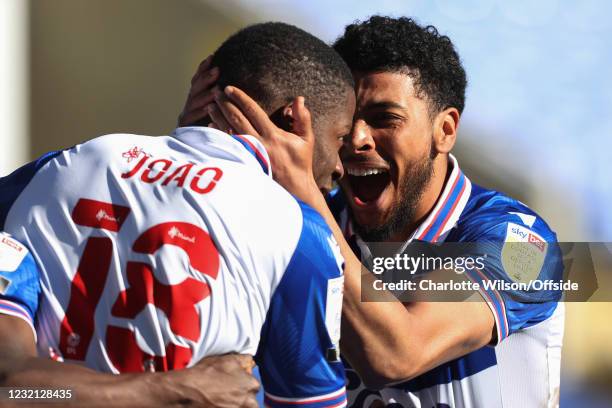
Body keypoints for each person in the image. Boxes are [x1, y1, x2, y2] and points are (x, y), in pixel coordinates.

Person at [181, 15, 565, 408]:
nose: (358, 139)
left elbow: (398, 353)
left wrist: (305, 198)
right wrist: (193, 158)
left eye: (385, 119)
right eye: (348, 122)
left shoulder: (522, 244)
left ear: (445, 129)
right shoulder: (303, 213)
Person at [0, 22, 355, 408]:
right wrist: (173, 388)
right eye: (341, 138)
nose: (340, 166)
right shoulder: (298, 232)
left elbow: (13, 389)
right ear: (291, 120)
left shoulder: (61, 168)